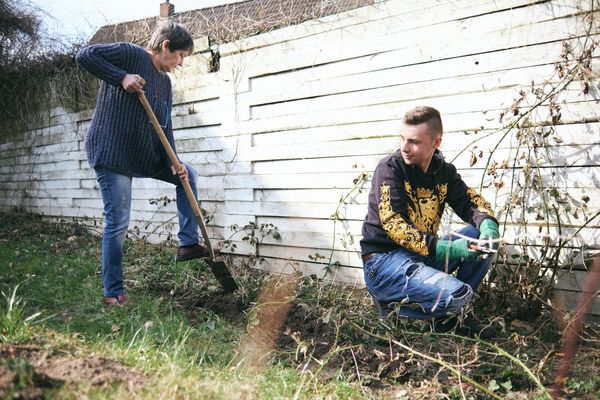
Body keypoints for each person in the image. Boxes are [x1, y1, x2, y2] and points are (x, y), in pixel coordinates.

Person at [76, 21, 209, 306]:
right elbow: (85, 56)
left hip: (145, 154)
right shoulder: (130, 54)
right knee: (118, 221)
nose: (181, 63)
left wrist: (173, 161)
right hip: (113, 153)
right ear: (165, 47)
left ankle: (187, 243)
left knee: (188, 175)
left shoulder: (165, 82)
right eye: (181, 55)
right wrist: (121, 76)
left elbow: (165, 124)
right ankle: (113, 292)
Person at [360, 106, 500, 334]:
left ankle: (451, 317)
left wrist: (488, 225)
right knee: (458, 294)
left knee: (480, 238)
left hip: (421, 256)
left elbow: (470, 202)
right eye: (402, 138)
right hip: (384, 263)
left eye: (414, 141)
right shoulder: (390, 169)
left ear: (436, 143)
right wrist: (448, 249)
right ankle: (393, 309)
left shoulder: (443, 172)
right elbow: (395, 224)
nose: (404, 147)